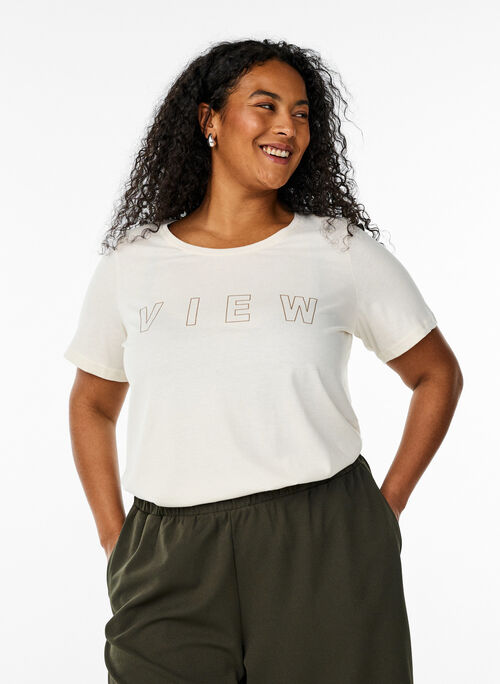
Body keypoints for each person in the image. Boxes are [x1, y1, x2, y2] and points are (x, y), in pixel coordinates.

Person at [64, 38, 463, 684]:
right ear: (210, 120)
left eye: (301, 114)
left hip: (321, 541)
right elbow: (92, 402)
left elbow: (436, 374)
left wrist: (382, 510)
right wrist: (117, 539)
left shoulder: (337, 250)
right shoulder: (133, 263)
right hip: (167, 553)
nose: (288, 128)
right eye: (266, 106)